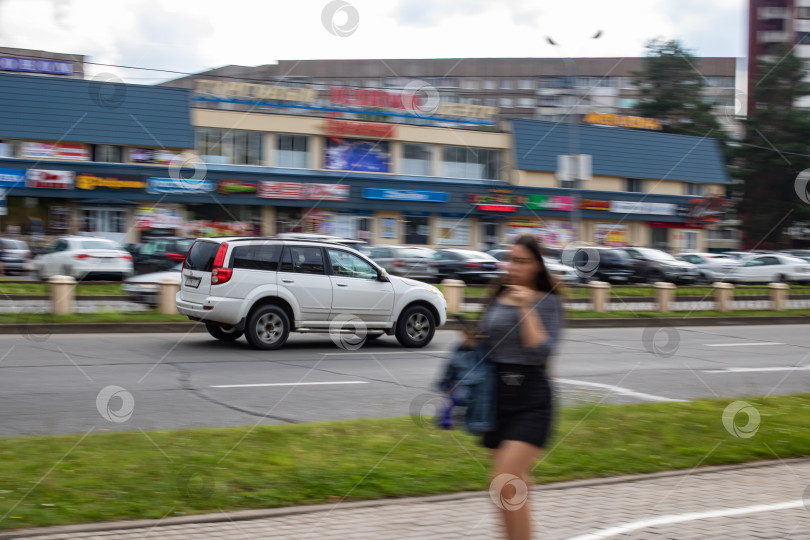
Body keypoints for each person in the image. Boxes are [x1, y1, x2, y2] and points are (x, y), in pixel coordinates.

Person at [463, 234, 565, 540]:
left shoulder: (550, 302)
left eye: (522, 261)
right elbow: (491, 341)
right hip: (496, 397)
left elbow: (541, 351)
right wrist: (473, 341)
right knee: (512, 485)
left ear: (537, 266)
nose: (514, 267)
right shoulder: (497, 296)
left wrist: (526, 307)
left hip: (531, 399)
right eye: (511, 260)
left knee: (503, 479)